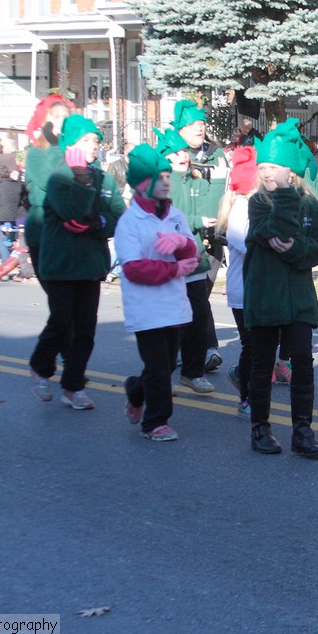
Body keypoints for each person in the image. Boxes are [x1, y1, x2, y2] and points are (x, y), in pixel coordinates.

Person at [243, 119, 318, 457]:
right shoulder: (258, 203)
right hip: (264, 296)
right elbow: (273, 233)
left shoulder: (310, 204)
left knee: (303, 364)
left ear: (292, 169)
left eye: (276, 166)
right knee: (262, 364)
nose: (268, 172)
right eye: (263, 166)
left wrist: (297, 250)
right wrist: (282, 195)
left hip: (298, 299)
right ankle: (260, 428)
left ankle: (302, 431)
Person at [28, 116, 125, 410]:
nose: (93, 146)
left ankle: (73, 386)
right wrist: (82, 180)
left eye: (95, 140)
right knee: (61, 321)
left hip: (90, 263)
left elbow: (119, 216)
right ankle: (40, 366)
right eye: (85, 141)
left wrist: (101, 222)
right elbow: (73, 213)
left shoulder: (105, 179)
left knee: (86, 328)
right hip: (60, 262)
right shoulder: (59, 177)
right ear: (70, 145)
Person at [116, 145, 200, 440]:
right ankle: (155, 423)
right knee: (159, 368)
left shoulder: (175, 215)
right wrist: (173, 270)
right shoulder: (129, 222)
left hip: (173, 304)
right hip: (146, 307)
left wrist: (181, 244)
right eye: (158, 176)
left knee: (161, 367)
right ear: (141, 183)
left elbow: (193, 255)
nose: (166, 181)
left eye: (167, 175)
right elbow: (134, 268)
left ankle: (135, 390)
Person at [155, 126, 218, 394]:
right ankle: (162, 374)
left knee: (199, 316)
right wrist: (195, 222)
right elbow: (166, 221)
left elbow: (211, 211)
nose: (182, 156)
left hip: (194, 261)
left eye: (184, 151)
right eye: (175, 153)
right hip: (168, 263)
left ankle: (192, 373)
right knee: (170, 323)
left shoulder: (197, 181)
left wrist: (218, 182)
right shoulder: (160, 185)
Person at [169, 100, 228, 374]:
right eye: (193, 124)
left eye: (202, 124)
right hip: (183, 238)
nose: (199, 128)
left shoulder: (216, 154)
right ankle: (198, 349)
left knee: (200, 293)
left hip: (213, 234)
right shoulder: (171, 156)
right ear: (180, 129)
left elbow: (225, 189)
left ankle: (201, 348)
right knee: (189, 296)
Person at [216, 145, 259, 418]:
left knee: (261, 345)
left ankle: (242, 376)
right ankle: (246, 398)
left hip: (259, 290)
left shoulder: (256, 205)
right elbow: (252, 245)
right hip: (243, 291)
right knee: (252, 346)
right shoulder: (240, 211)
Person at [24, 94, 74, 280]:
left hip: (71, 231)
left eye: (65, 116)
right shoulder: (36, 154)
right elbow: (50, 181)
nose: (62, 121)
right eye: (56, 116)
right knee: (59, 298)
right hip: (44, 229)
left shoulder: (73, 150)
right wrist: (54, 145)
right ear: (45, 121)